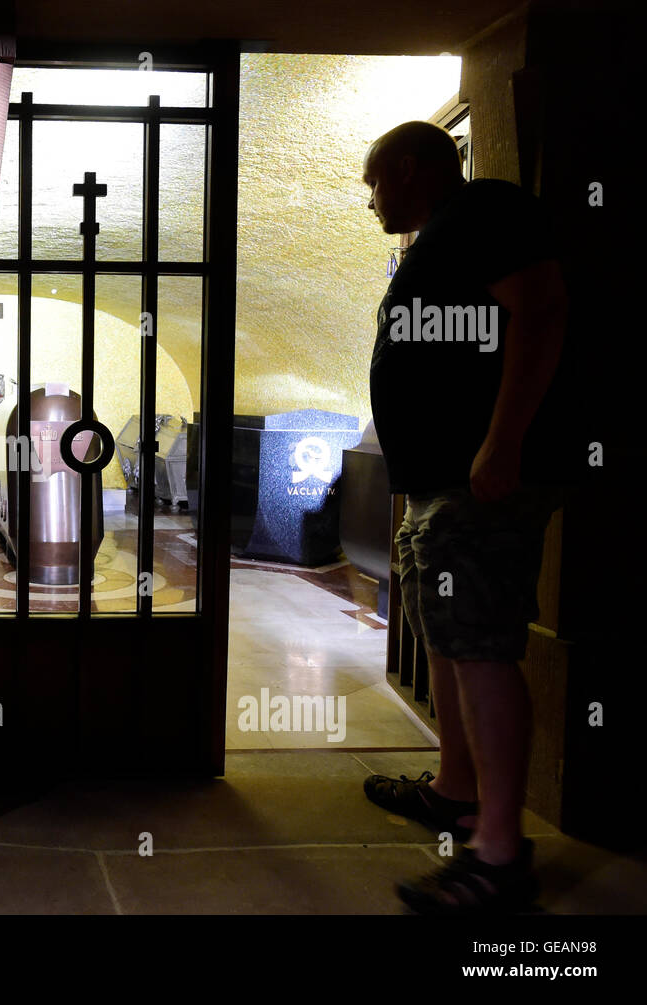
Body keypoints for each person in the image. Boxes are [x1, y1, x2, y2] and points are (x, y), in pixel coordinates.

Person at [361, 120, 573, 914]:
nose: (370, 199)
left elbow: (542, 311)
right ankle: (455, 791)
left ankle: (499, 853)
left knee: (481, 642)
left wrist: (502, 441)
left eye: (374, 183)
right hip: (442, 483)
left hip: (482, 479)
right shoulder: (442, 237)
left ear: (410, 170)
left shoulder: (485, 209)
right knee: (448, 635)